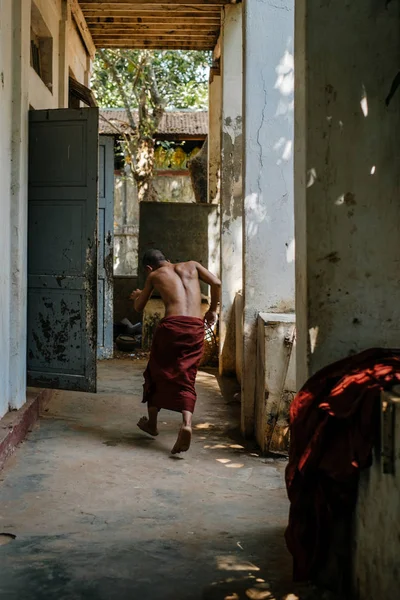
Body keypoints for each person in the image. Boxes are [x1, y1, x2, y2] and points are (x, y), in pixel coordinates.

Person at [130, 249, 221, 455]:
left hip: (171, 328)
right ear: (168, 259)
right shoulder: (192, 265)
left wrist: (137, 295)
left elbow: (138, 307)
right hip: (195, 328)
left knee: (156, 373)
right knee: (187, 376)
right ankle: (186, 424)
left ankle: (152, 425)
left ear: (148, 268)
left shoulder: (154, 276)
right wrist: (213, 310)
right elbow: (216, 283)